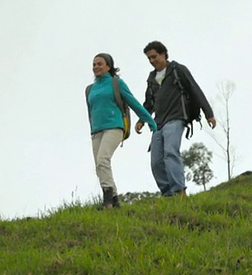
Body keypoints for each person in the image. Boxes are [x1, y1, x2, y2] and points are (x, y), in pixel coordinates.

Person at [135, 41, 216, 197]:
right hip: (157, 123)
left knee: (171, 152)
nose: (152, 61)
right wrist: (141, 120)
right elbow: (149, 103)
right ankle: (168, 194)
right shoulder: (152, 78)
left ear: (164, 54)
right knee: (156, 161)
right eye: (149, 59)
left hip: (176, 118)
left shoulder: (177, 70)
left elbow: (195, 89)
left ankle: (179, 190)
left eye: (154, 57)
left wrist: (209, 113)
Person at [86, 53, 157, 209]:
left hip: (114, 127)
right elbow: (91, 111)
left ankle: (107, 201)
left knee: (102, 160)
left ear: (108, 66)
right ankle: (115, 200)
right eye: (94, 64)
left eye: (100, 64)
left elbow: (134, 103)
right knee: (99, 166)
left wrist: (149, 121)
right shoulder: (90, 89)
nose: (96, 67)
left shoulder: (116, 83)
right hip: (96, 131)